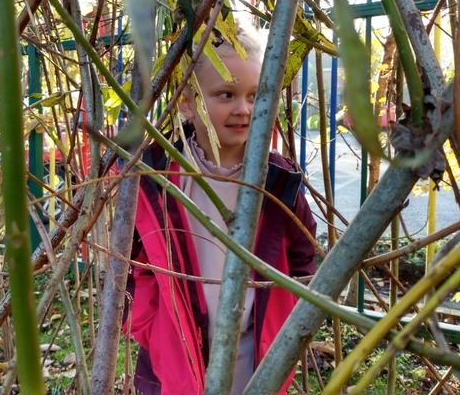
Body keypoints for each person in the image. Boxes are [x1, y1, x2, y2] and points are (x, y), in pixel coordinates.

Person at [125, 25, 317, 394]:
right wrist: (149, 324)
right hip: (172, 356)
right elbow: (133, 258)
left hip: (254, 356)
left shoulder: (278, 181)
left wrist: (285, 325)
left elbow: (302, 257)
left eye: (255, 95)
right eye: (226, 94)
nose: (243, 109)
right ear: (187, 101)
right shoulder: (156, 176)